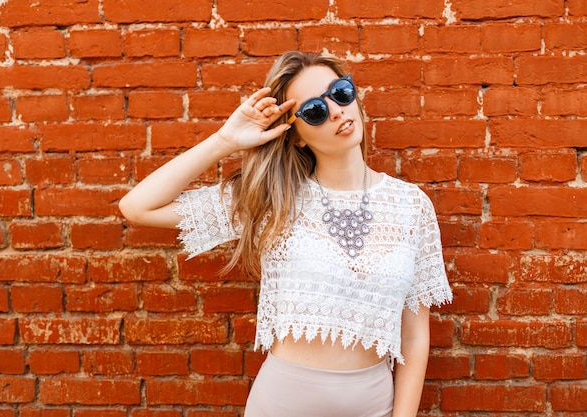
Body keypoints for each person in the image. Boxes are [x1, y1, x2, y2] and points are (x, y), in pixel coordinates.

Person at [119, 51, 452, 417]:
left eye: (340, 93)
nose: (337, 111)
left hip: (374, 406)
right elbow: (138, 208)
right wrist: (224, 141)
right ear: (296, 137)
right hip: (282, 404)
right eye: (314, 111)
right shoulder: (272, 199)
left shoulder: (411, 206)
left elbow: (415, 336)